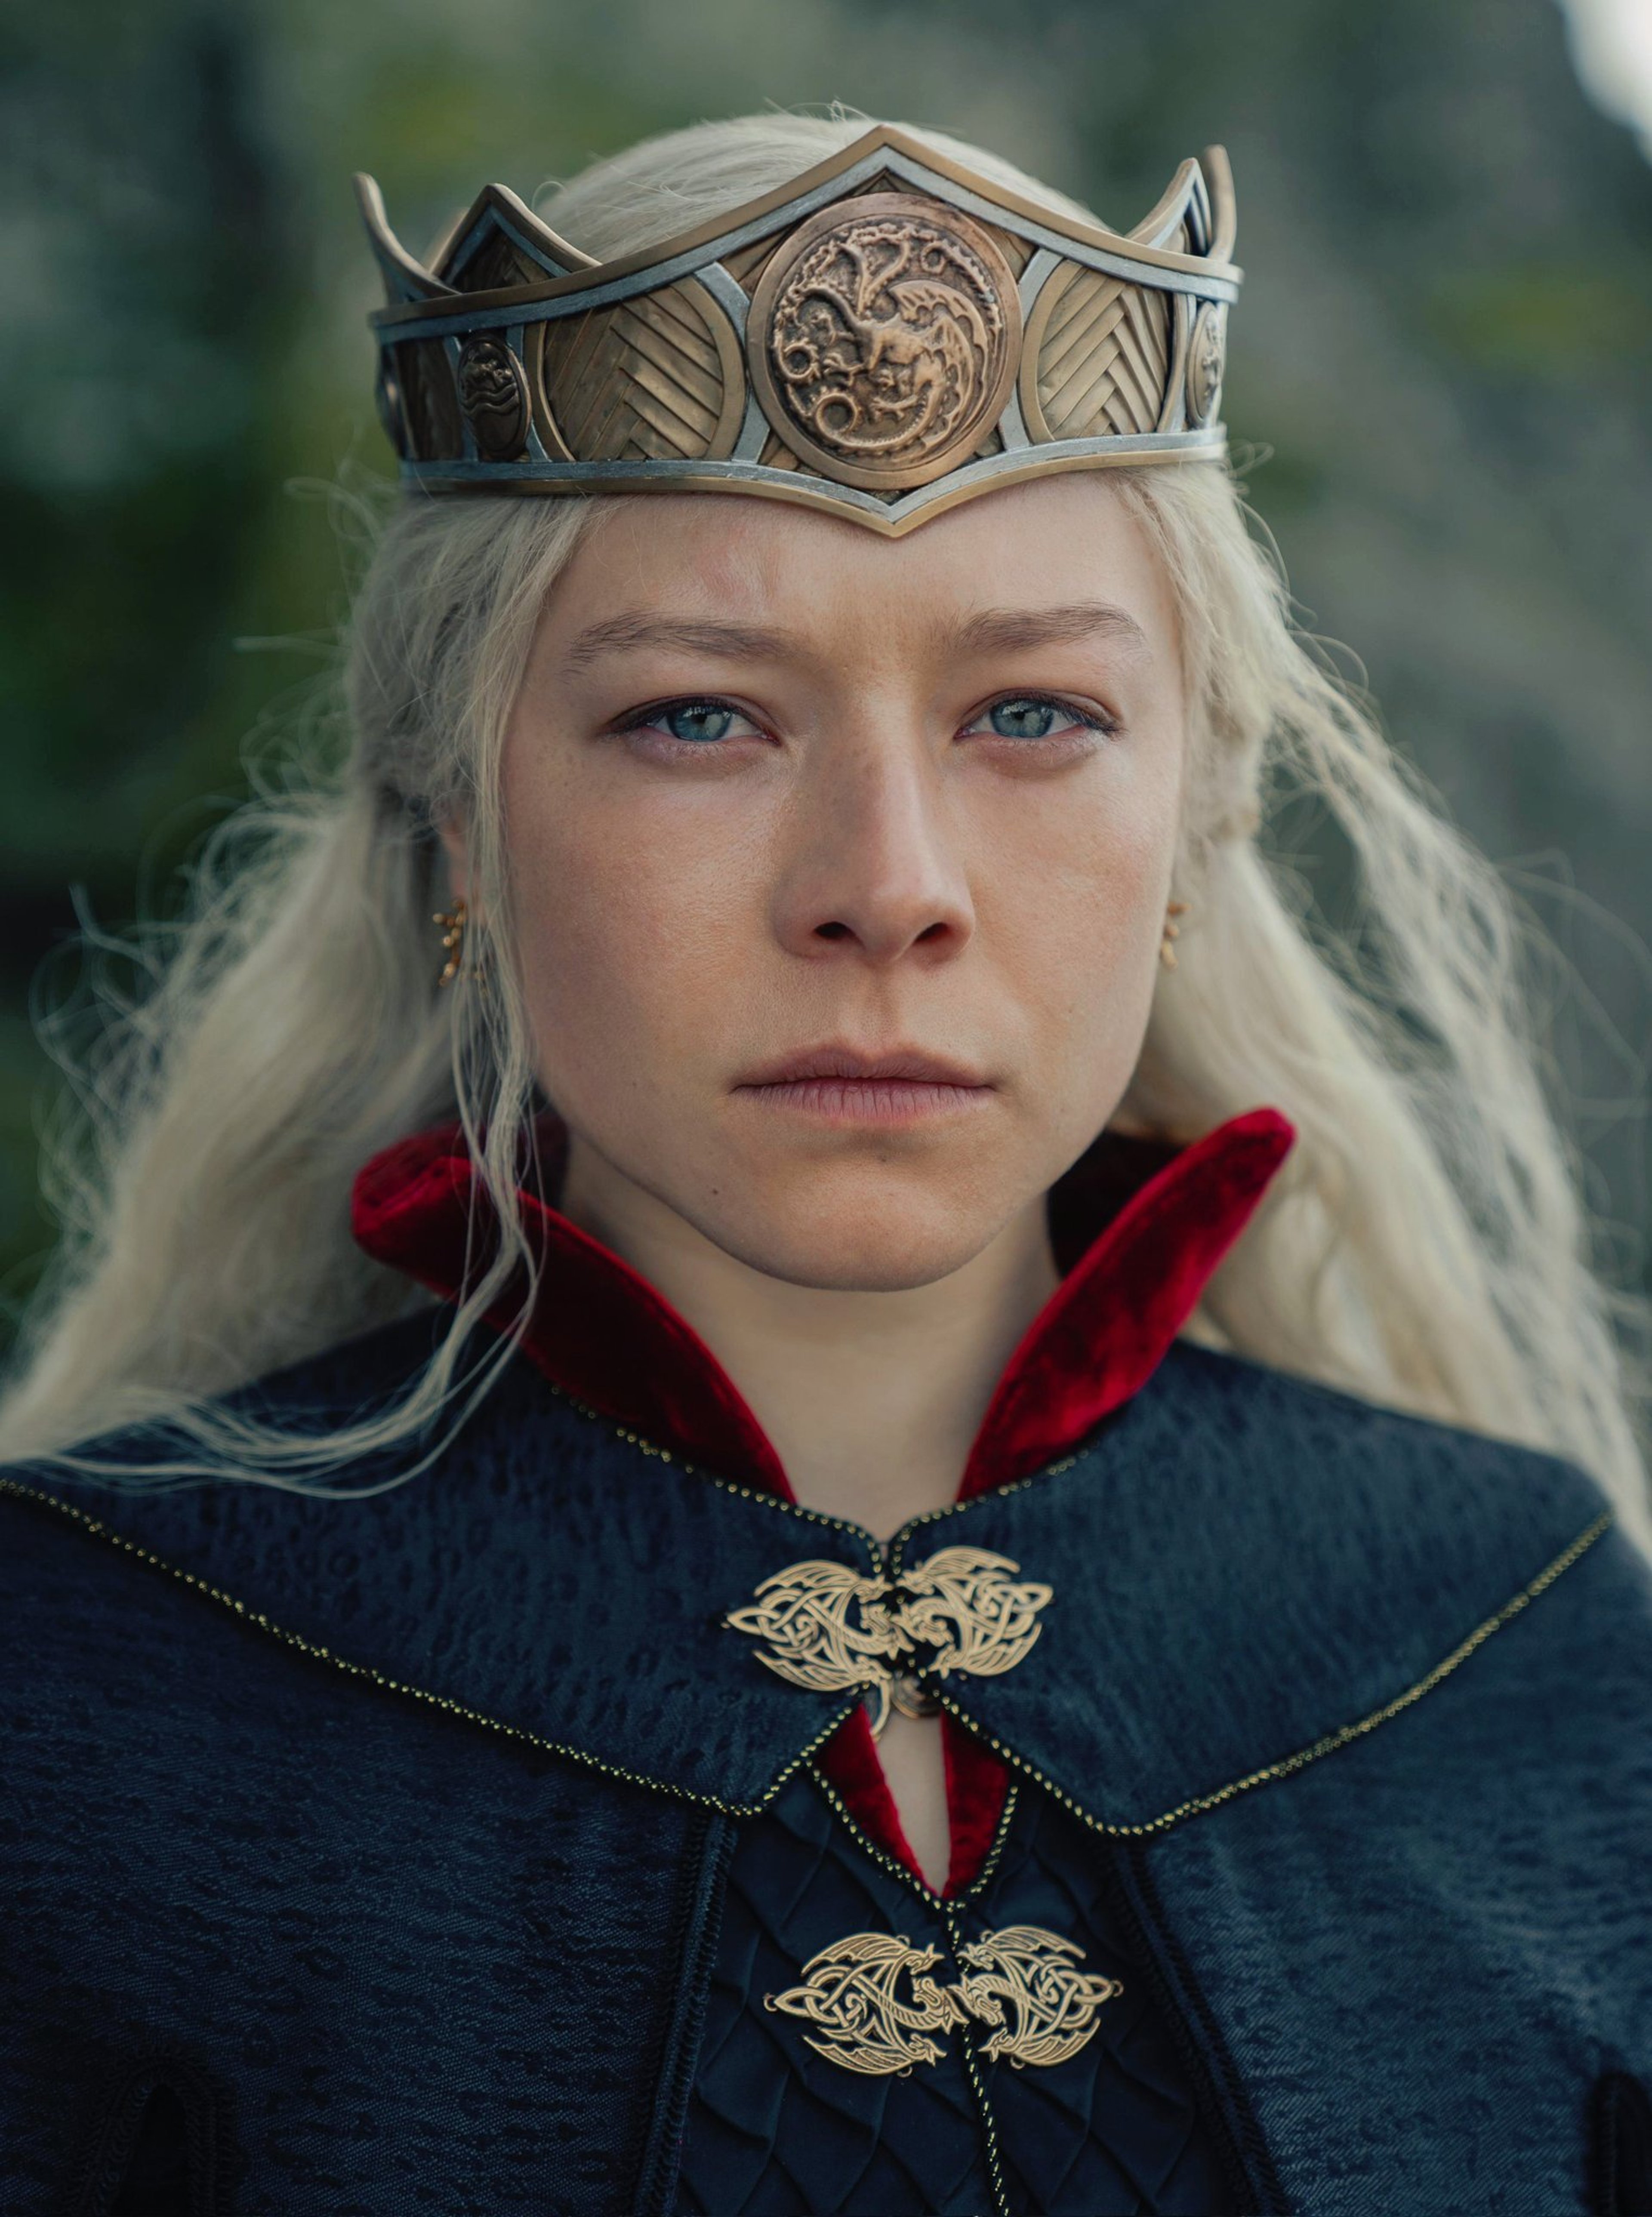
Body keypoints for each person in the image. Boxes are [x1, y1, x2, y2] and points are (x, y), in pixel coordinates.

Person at [1, 108, 1649, 2217]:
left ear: (1196, 825)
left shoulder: (1517, 1641)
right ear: (456, 830)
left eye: (1032, 712)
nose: (889, 886)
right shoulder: (79, 1685)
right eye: (702, 716)